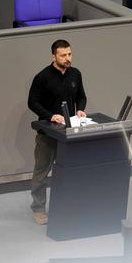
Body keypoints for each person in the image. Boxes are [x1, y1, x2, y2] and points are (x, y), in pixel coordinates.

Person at [27, 39, 87, 225]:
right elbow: (32, 102)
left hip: (69, 133)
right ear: (53, 55)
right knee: (41, 173)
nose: (67, 58)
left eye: (69, 54)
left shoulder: (75, 74)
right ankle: (38, 209)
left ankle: (69, 205)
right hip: (48, 134)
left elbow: (81, 97)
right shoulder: (42, 77)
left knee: (71, 171)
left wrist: (80, 109)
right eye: (63, 55)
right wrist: (50, 116)